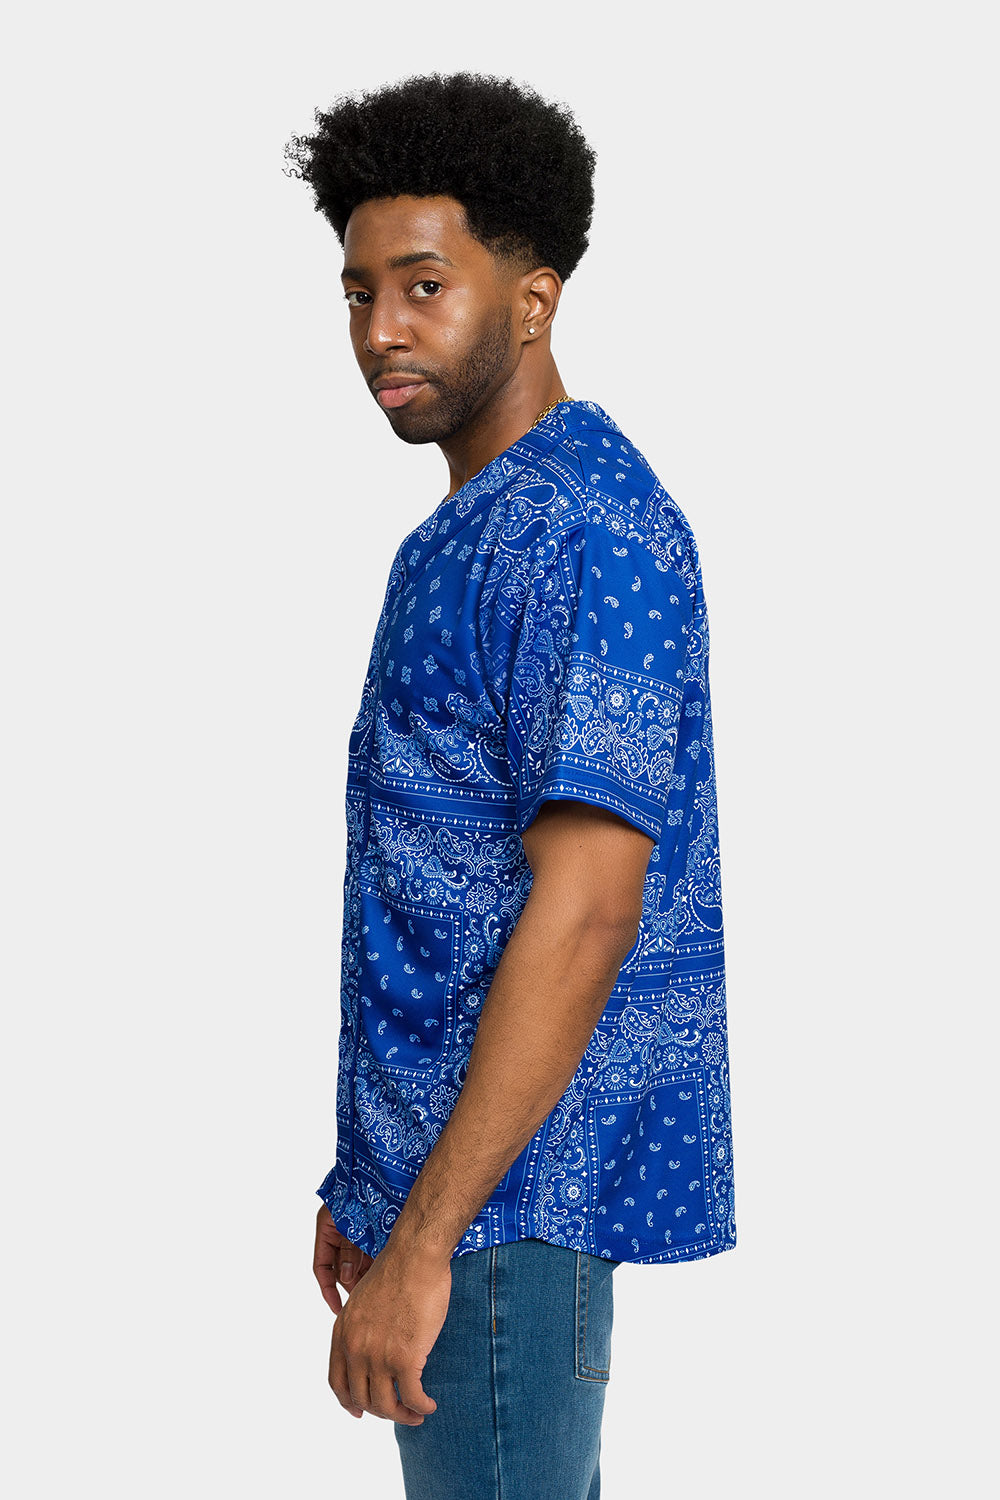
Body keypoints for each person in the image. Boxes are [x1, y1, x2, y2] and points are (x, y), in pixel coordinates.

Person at [284, 72, 737, 1500]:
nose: (381, 329)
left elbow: (590, 909)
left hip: (504, 1217)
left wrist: (428, 1236)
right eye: (359, 292)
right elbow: (449, 882)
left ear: (533, 300)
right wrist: (376, 1178)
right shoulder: (471, 531)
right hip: (453, 1197)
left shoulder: (586, 530)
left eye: (425, 285)